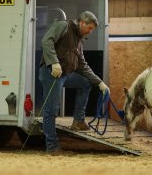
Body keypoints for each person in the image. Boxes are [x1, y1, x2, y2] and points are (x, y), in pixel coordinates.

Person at [39, 10, 110, 155]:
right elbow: (46, 40)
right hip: (51, 73)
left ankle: (78, 121)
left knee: (85, 82)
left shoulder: (78, 41)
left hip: (64, 74)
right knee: (51, 110)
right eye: (89, 28)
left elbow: (83, 65)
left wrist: (99, 83)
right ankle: (52, 147)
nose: (90, 32)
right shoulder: (63, 26)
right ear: (82, 23)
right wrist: (53, 62)